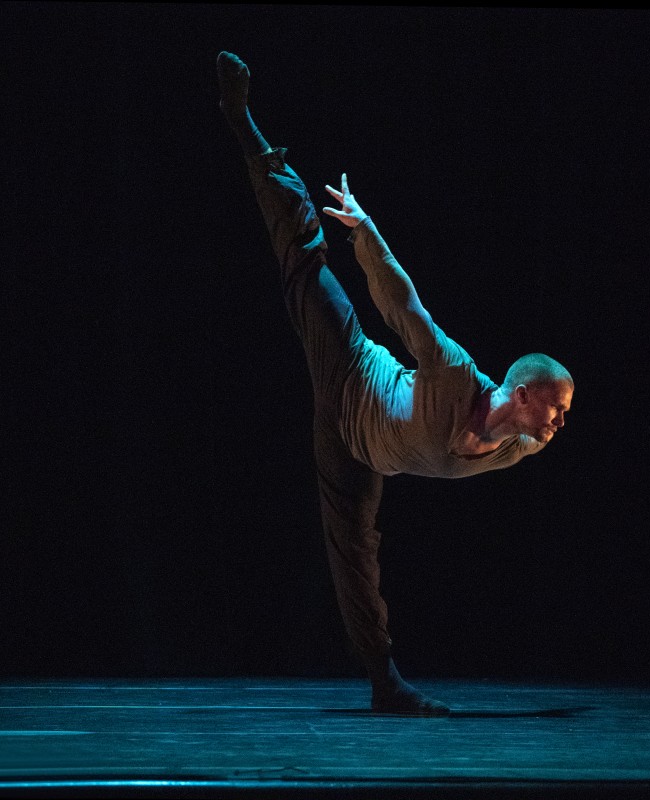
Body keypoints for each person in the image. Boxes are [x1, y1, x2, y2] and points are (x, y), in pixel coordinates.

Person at [216, 52, 573, 716]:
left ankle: (384, 683)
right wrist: (368, 232)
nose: (559, 424)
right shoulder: (456, 374)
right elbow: (406, 308)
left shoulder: (521, 447)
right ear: (523, 394)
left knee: (356, 558)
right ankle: (246, 126)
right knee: (306, 261)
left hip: (355, 452)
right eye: (556, 409)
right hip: (350, 371)